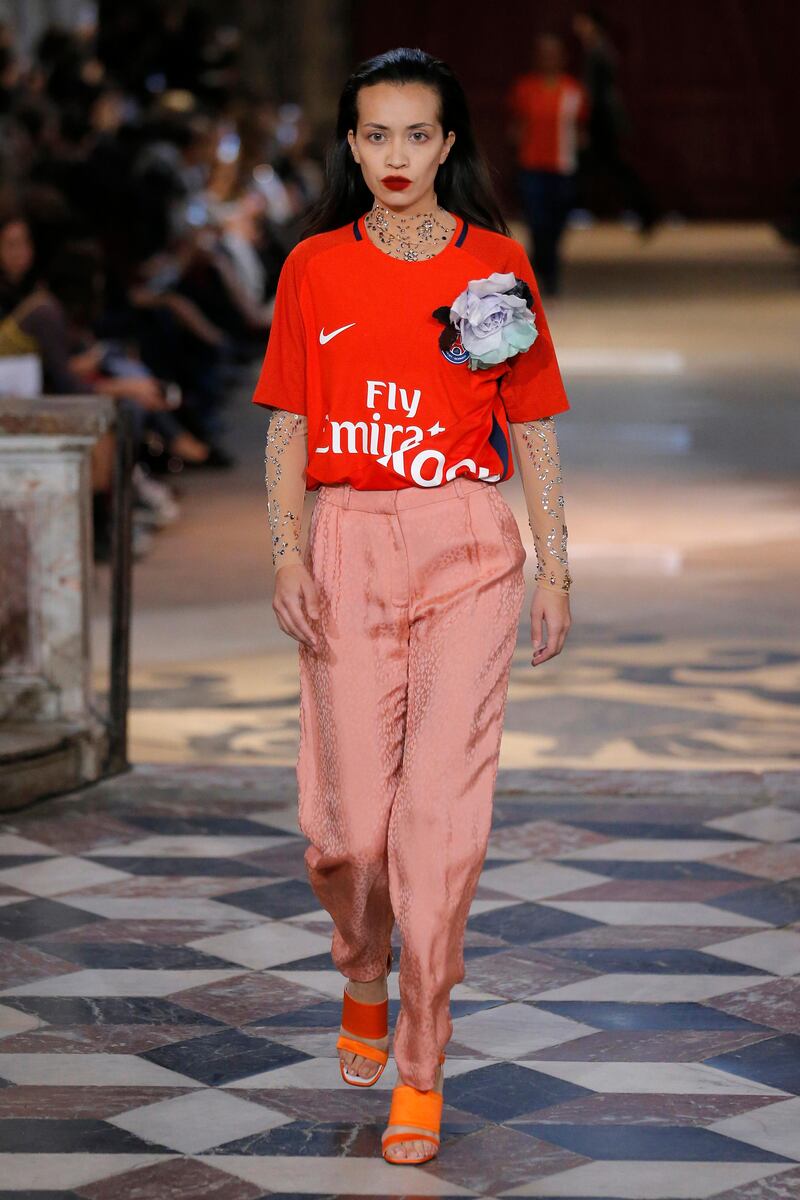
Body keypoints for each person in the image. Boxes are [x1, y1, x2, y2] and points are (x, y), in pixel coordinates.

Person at [254, 46, 573, 1166]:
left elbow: (529, 422)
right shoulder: (310, 269)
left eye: (417, 135)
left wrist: (553, 565)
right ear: (351, 144)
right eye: (374, 135)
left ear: (447, 145)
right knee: (346, 835)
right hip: (344, 545)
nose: (395, 156)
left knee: (438, 824)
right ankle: (360, 967)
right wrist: (289, 553)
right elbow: (287, 422)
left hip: (465, 549)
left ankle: (421, 1056)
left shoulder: (493, 267)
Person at [505, 33, 589, 295]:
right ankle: (543, 271)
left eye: (554, 53)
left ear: (563, 57)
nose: (549, 58)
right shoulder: (524, 88)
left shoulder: (574, 90)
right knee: (537, 222)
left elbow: (580, 129)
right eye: (544, 53)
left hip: (563, 167)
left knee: (556, 223)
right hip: (532, 166)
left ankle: (550, 269)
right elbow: (516, 125)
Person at [572, 6, 658, 233]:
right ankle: (642, 209)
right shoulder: (596, 48)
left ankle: (644, 209)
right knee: (606, 166)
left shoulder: (599, 50)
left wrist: (587, 121)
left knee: (611, 166)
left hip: (602, 118)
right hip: (601, 117)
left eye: (581, 22)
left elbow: (597, 92)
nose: (576, 27)